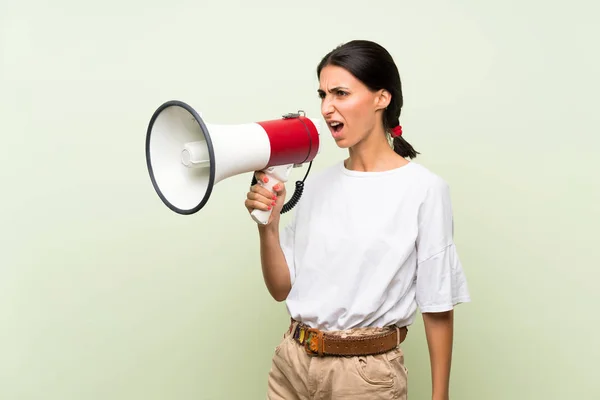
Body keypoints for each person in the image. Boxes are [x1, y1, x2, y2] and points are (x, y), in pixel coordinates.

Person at [244, 39, 471, 400]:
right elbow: (281, 289)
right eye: (322, 94)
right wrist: (267, 228)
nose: (327, 107)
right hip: (292, 364)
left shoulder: (424, 190)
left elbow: (437, 304)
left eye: (340, 93)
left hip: (363, 378)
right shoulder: (316, 185)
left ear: (382, 98)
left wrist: (439, 396)